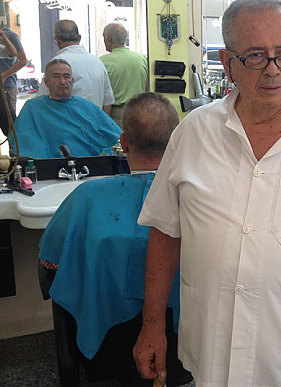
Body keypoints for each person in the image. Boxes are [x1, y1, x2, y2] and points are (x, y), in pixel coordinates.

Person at [132, 1, 281, 385]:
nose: (273, 69)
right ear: (227, 61)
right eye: (255, 55)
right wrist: (152, 324)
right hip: (211, 347)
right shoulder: (193, 133)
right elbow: (165, 231)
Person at [38, 92, 193, 387]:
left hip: (108, 350)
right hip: (182, 348)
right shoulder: (198, 200)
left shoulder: (86, 196)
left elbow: (49, 263)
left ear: (123, 142)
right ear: (177, 140)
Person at [10, 59, 121, 158]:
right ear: (46, 82)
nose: (62, 81)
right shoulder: (33, 108)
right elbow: (25, 145)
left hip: (92, 168)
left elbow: (118, 138)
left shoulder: (88, 107)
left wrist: (104, 155)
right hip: (49, 172)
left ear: (72, 81)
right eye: (56, 77)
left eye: (66, 77)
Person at [37, 20, 114, 113]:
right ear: (79, 38)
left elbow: (41, 101)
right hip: (94, 123)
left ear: (57, 40)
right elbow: (108, 102)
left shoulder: (56, 65)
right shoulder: (97, 62)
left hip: (65, 123)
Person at [100, 23, 148, 127]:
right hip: (140, 113)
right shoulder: (141, 59)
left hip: (117, 115)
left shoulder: (102, 62)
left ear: (108, 39)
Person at [0, 26, 27, 136]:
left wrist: (4, 75)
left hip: (6, 87)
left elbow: (21, 59)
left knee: (10, 128)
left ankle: (15, 151)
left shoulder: (10, 35)